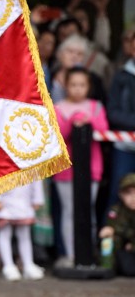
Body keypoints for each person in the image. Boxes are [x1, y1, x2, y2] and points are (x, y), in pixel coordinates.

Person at [53, 66, 108, 268]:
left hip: (91, 169)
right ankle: (70, 255)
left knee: (88, 212)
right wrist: (74, 121)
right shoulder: (58, 108)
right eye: (73, 84)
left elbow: (103, 130)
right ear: (66, 86)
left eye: (82, 85)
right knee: (69, 211)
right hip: (65, 170)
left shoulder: (96, 107)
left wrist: (88, 121)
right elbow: (59, 135)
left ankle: (87, 256)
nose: (77, 89)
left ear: (89, 87)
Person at [0, 181, 45, 281]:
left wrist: (37, 198)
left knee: (25, 235)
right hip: (4, 202)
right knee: (4, 234)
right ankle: (8, 266)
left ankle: (28, 264)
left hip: (25, 201)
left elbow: (36, 174)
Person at [106, 33, 135, 209]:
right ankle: (109, 236)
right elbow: (113, 113)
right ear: (131, 49)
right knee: (118, 194)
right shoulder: (121, 77)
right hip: (124, 147)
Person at [99, 173, 135, 276]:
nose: (133, 197)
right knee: (108, 239)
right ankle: (108, 267)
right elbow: (110, 228)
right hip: (124, 251)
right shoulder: (116, 211)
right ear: (121, 194)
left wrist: (132, 246)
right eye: (128, 193)